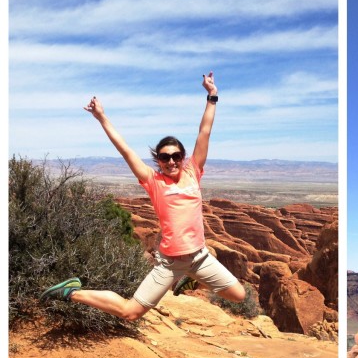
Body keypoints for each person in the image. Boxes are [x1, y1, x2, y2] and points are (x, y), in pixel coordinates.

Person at [40, 72, 247, 320]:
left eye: (176, 156)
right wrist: (101, 117)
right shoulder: (153, 181)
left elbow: (205, 132)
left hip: (200, 257)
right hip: (170, 262)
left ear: (183, 158)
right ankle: (72, 292)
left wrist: (211, 95)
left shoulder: (194, 172)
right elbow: (125, 149)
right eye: (164, 157)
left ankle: (192, 282)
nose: (171, 161)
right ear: (158, 160)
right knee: (131, 312)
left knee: (239, 295)